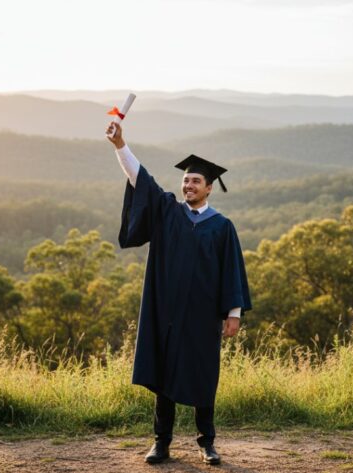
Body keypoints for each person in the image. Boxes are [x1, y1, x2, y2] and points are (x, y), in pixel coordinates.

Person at [106, 121, 251, 466]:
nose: (188, 185)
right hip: (167, 312)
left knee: (203, 375)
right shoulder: (169, 212)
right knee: (163, 375)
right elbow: (139, 178)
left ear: (209, 188)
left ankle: (207, 442)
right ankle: (161, 442)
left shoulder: (221, 226)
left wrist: (233, 314)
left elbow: (231, 269)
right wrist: (120, 145)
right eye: (185, 180)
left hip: (203, 316)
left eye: (195, 181)